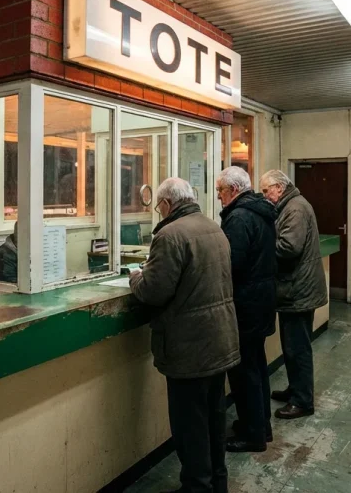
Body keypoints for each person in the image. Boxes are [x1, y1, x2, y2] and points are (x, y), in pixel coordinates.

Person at [130, 177, 240, 493]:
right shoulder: (213, 227)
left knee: (189, 426)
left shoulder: (169, 236)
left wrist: (136, 277)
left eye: (158, 207)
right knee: (214, 420)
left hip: (189, 347)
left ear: (165, 204)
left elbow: (154, 291)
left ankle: (196, 486)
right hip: (219, 339)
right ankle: (217, 482)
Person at [216, 167, 277, 453]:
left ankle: (253, 435)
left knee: (244, 373)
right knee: (257, 368)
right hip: (261, 300)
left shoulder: (239, 218)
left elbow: (231, 264)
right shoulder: (260, 212)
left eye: (220, 191)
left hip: (245, 305)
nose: (218, 197)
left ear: (234, 190)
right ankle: (260, 425)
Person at [259, 169, 328, 419]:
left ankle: (303, 401)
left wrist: (262, 244)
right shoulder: (291, 204)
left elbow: (289, 247)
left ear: (279, 187)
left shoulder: (295, 208)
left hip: (298, 290)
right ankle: (295, 389)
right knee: (291, 347)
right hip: (295, 288)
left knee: (297, 348)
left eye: (266, 190)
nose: (264, 195)